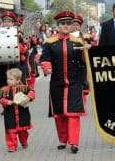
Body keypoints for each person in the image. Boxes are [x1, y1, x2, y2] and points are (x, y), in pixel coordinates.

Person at [41, 10, 86, 154]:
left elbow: (83, 63)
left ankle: (74, 142)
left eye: (68, 23)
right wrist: (47, 68)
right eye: (63, 23)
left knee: (73, 113)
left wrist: (87, 52)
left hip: (74, 82)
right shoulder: (49, 42)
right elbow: (45, 58)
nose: (66, 25)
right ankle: (62, 140)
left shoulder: (78, 41)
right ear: (57, 25)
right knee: (60, 114)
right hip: (57, 82)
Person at [0, 68, 35, 152]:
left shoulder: (24, 88)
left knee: (23, 132)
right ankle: (11, 146)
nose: (8, 81)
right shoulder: (4, 90)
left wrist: (28, 97)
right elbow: (1, 99)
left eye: (11, 79)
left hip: (22, 115)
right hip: (10, 115)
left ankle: (24, 141)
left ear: (18, 80)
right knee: (10, 132)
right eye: (8, 78)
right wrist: (8, 102)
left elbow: (32, 92)